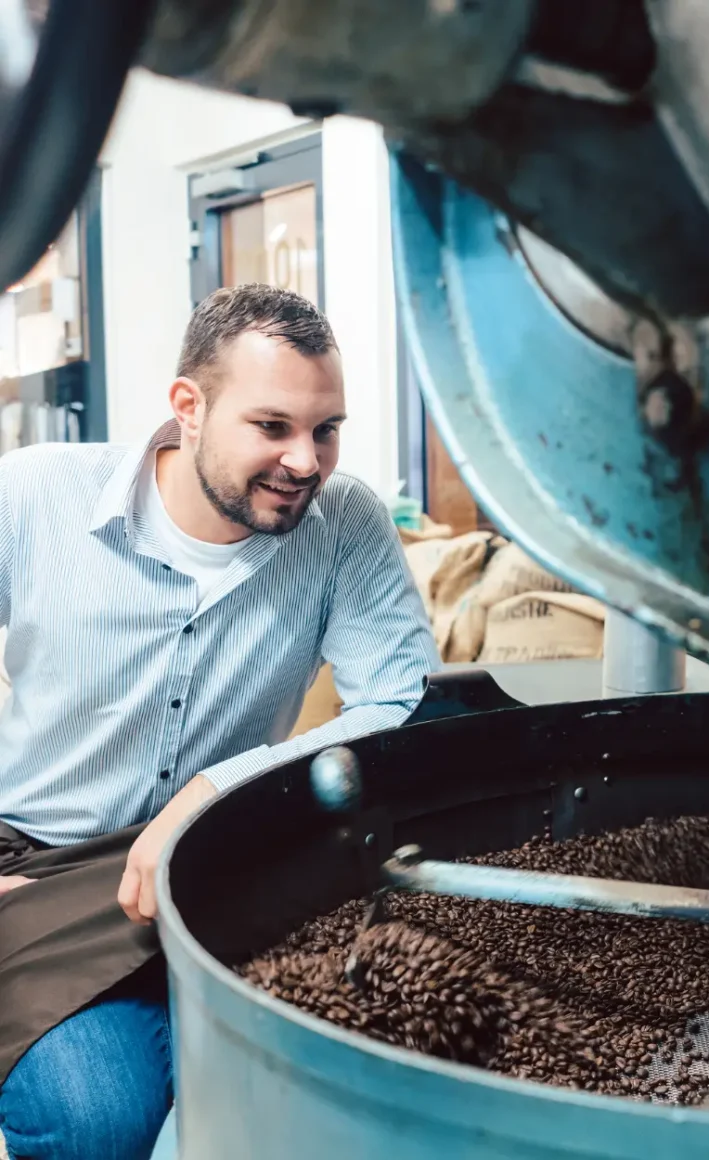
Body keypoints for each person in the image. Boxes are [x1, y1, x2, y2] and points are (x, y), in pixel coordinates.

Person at [0, 284, 439, 1160]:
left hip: (233, 858)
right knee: (99, 1120)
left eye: (327, 429)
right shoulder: (33, 494)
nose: (307, 461)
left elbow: (400, 704)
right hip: (45, 872)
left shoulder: (345, 522)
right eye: (272, 427)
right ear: (188, 408)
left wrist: (213, 789)